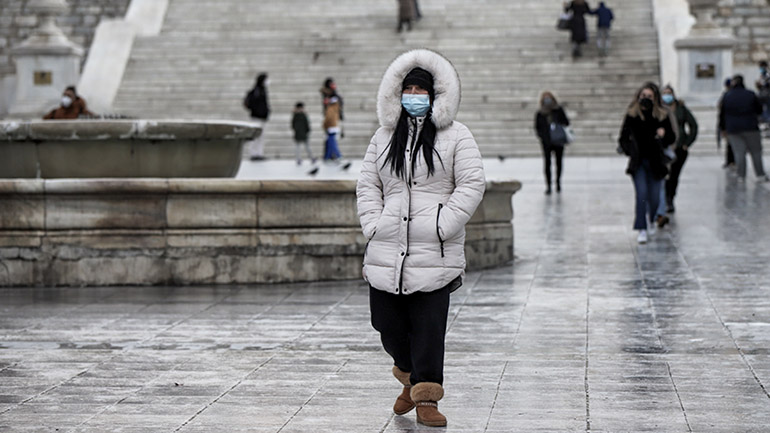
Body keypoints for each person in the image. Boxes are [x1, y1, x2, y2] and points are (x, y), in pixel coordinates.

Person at [356, 49, 485, 428]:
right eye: (408, 88)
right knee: (386, 323)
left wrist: (444, 223)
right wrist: (373, 223)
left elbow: (472, 182)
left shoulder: (456, 135)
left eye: (421, 89)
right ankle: (409, 377)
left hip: (435, 250)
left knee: (429, 327)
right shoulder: (383, 137)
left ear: (435, 95)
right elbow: (368, 183)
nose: (414, 94)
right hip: (386, 246)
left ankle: (427, 397)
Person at [618, 82, 676, 244]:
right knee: (642, 194)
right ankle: (641, 228)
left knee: (655, 198)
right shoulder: (632, 115)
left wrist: (663, 135)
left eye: (650, 96)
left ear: (655, 98)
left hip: (656, 162)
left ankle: (651, 219)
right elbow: (622, 138)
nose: (646, 99)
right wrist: (631, 150)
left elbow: (672, 138)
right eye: (643, 96)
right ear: (638, 97)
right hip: (639, 163)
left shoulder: (662, 116)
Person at [719, 75, 769, 182]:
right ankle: (760, 174)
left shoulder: (727, 96)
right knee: (756, 152)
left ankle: (741, 175)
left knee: (739, 152)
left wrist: (723, 129)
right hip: (751, 127)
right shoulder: (750, 94)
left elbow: (722, 114)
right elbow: (759, 110)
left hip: (733, 129)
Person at [661, 85, 698, 214]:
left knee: (674, 175)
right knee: (665, 175)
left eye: (669, 93)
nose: (667, 95)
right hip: (664, 148)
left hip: (679, 148)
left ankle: (670, 198)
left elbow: (693, 125)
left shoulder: (681, 108)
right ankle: (665, 199)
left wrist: (687, 142)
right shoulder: (659, 109)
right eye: (664, 93)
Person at [534, 91, 571, 194]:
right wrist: (543, 137)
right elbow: (537, 127)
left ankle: (558, 182)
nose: (547, 100)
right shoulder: (540, 113)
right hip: (547, 142)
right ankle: (549, 185)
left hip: (558, 141)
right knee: (547, 163)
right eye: (545, 98)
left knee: (559, 162)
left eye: (549, 98)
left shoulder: (558, 110)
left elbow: (566, 122)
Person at [243, 72, 270, 160]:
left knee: (261, 136)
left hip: (262, 117)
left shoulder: (263, 90)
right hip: (256, 117)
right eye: (266, 79)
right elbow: (254, 104)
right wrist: (259, 111)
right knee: (255, 136)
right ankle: (253, 154)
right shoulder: (256, 91)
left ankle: (259, 153)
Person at [717, 78, 735, 168]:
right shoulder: (727, 95)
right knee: (731, 144)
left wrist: (722, 127)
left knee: (731, 145)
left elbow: (721, 112)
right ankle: (731, 161)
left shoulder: (727, 96)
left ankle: (731, 161)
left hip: (730, 125)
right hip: (731, 124)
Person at [756, 60, 770, 125]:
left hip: (767, 95)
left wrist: (762, 84)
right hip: (763, 94)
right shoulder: (762, 75)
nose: (760, 69)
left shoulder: (767, 74)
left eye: (761, 67)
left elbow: (767, 83)